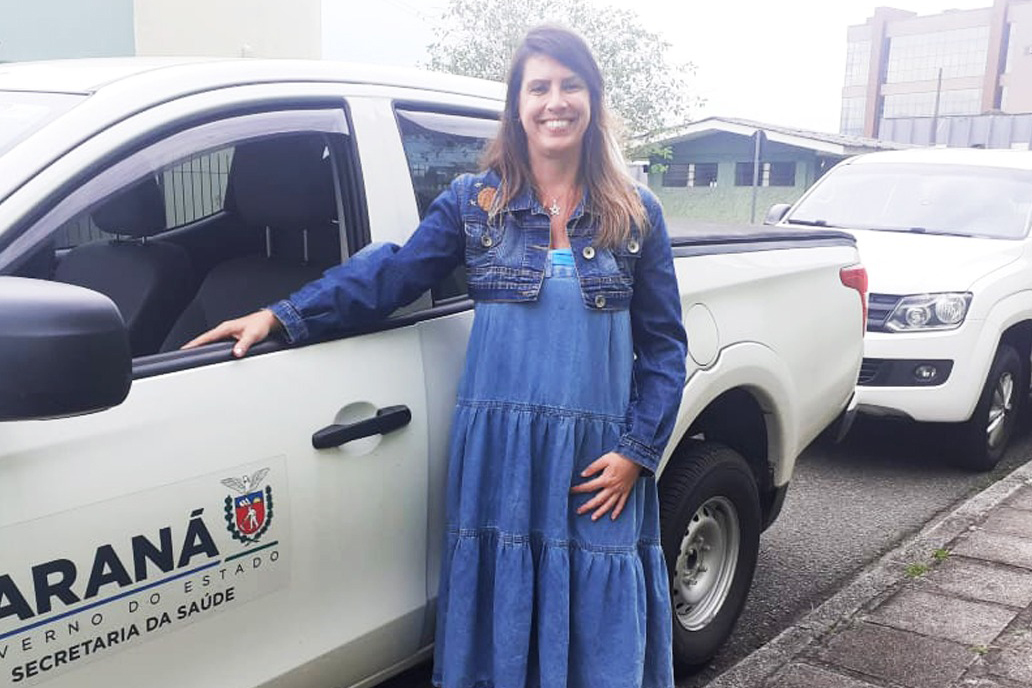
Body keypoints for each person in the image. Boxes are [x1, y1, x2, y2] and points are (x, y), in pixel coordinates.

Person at [185, 24, 687, 688]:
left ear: (592, 100)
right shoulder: (475, 205)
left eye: (571, 86)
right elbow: (390, 277)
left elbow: (665, 348)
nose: (555, 102)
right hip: (503, 457)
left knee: (596, 619)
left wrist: (636, 452)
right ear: (517, 105)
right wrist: (282, 314)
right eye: (538, 87)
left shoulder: (636, 213)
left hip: (596, 462)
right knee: (504, 610)